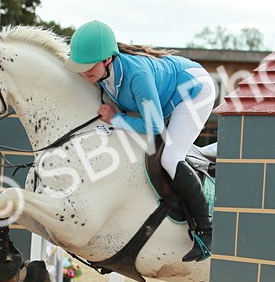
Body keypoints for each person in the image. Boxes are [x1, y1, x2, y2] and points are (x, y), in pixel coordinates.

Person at [64, 20, 217, 261]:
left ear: (107, 60)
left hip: (195, 90)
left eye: (89, 67)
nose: (84, 73)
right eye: (81, 67)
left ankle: (206, 231)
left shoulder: (136, 75)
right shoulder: (101, 72)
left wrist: (117, 120)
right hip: (168, 94)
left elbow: (154, 126)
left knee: (170, 157)